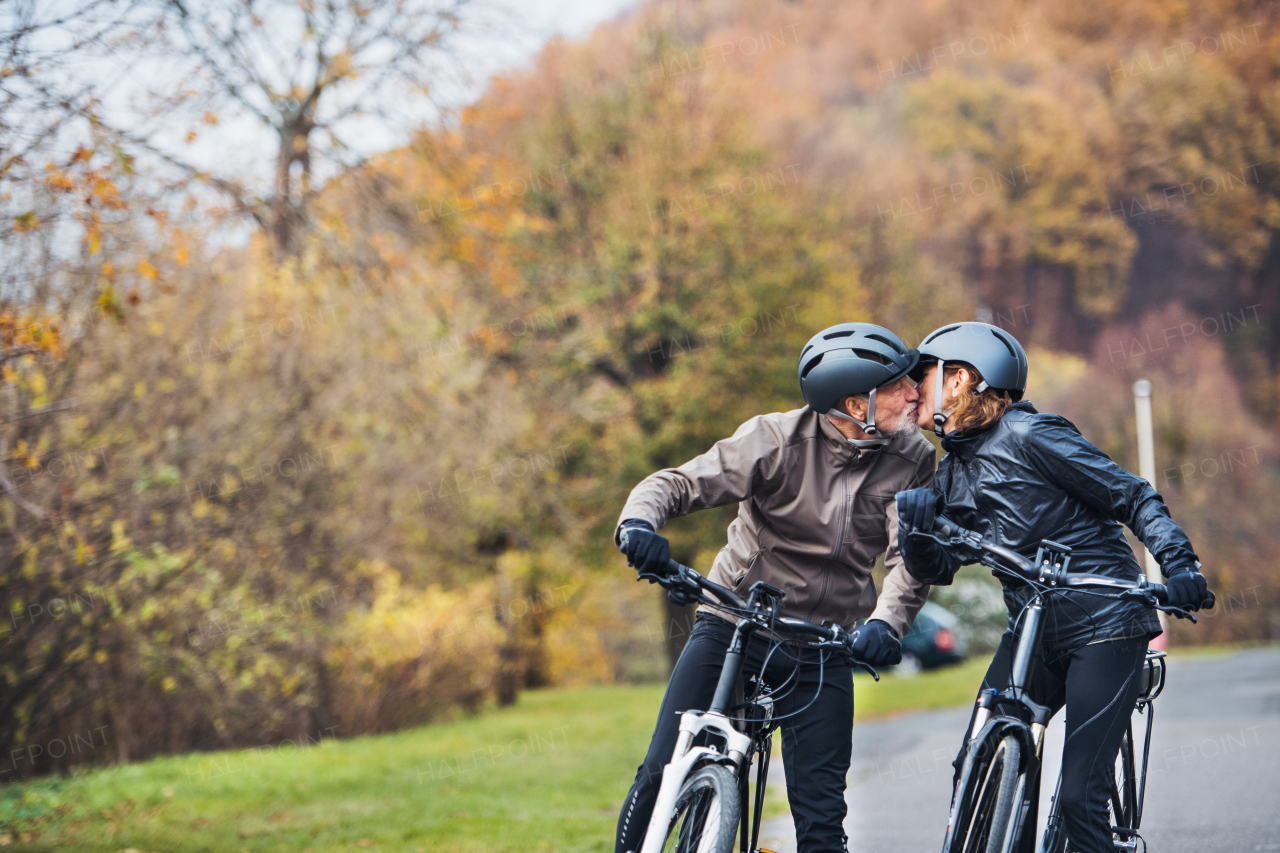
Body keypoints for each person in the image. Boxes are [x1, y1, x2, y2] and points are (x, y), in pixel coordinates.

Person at [613, 322, 937, 853]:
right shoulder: (776, 440)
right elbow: (677, 483)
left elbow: (910, 559)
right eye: (900, 383)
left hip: (826, 645)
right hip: (735, 625)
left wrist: (885, 622)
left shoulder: (913, 459)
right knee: (662, 767)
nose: (915, 391)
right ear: (856, 406)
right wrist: (638, 526)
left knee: (822, 820)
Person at [894, 321, 1213, 853]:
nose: (909, 392)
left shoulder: (1033, 435)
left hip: (1105, 622)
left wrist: (1180, 565)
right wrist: (916, 532)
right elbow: (936, 568)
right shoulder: (949, 476)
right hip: (1033, 628)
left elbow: (1132, 496)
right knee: (975, 771)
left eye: (921, 377)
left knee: (1079, 799)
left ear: (959, 381)